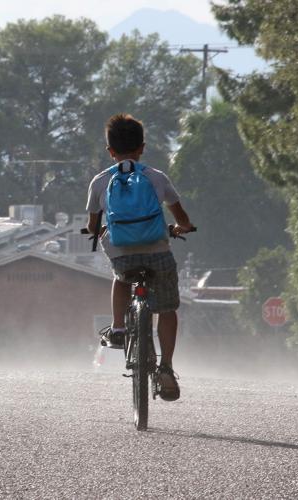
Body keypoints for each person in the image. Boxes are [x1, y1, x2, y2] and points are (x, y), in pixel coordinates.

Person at [85, 113, 195, 401]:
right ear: (142, 148)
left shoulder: (100, 181)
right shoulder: (157, 178)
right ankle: (166, 368)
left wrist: (100, 229)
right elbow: (181, 217)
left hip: (123, 256)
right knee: (167, 309)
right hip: (158, 253)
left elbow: (92, 226)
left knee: (121, 278)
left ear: (110, 151)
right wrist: (181, 227)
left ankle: (119, 327)